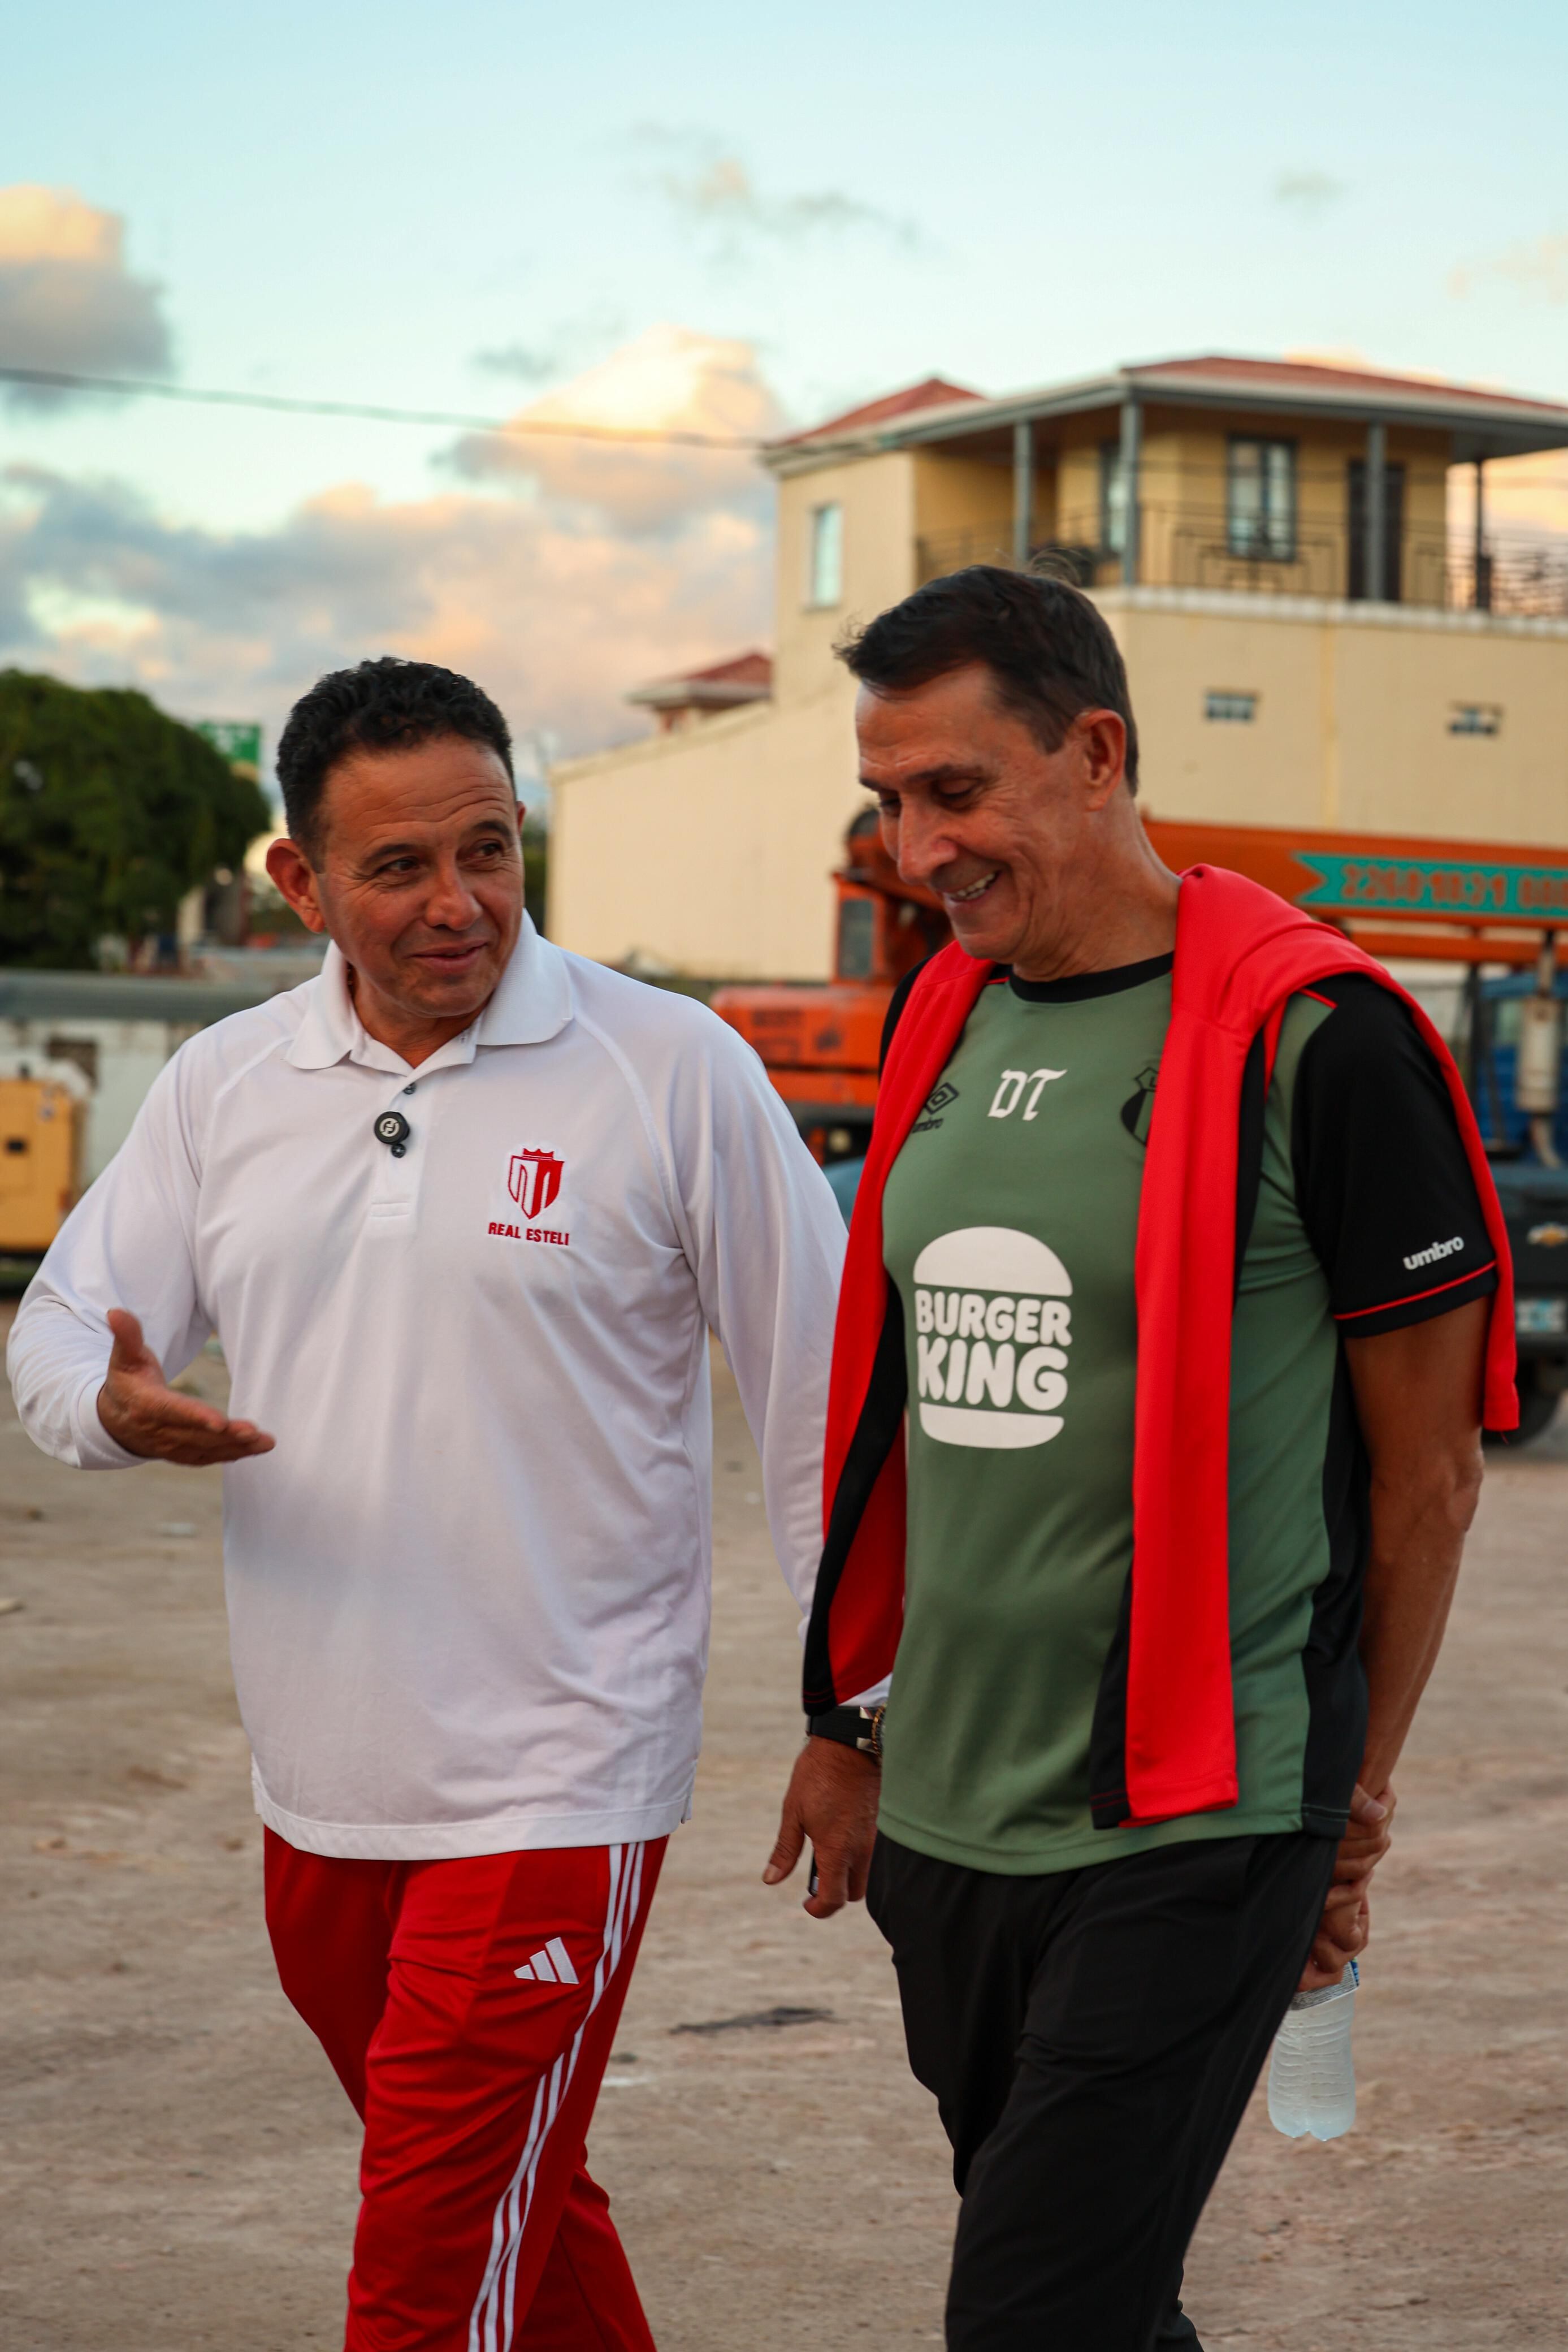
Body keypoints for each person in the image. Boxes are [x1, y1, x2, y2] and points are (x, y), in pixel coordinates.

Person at [8, 656, 847, 2352]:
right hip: (321, 1785)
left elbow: (824, 1404)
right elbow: (57, 1329)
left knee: (424, 2273)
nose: (459, 903)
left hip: (560, 1778)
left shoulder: (669, 1068)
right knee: (510, 2208)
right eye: (398, 867)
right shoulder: (226, 1084)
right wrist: (108, 1408)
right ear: (301, 883)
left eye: (489, 849)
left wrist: (862, 1711)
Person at [763, 568, 1516, 2349]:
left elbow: (1427, 1482)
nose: (917, 848)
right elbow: (902, 1418)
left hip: (1199, 1810)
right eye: (888, 800)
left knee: (1032, 2314)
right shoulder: (945, 1019)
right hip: (949, 1814)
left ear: (1096, 754)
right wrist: (846, 1721)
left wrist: (1352, 1808)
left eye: (956, 790)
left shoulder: (1323, 1045)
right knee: (1093, 2299)